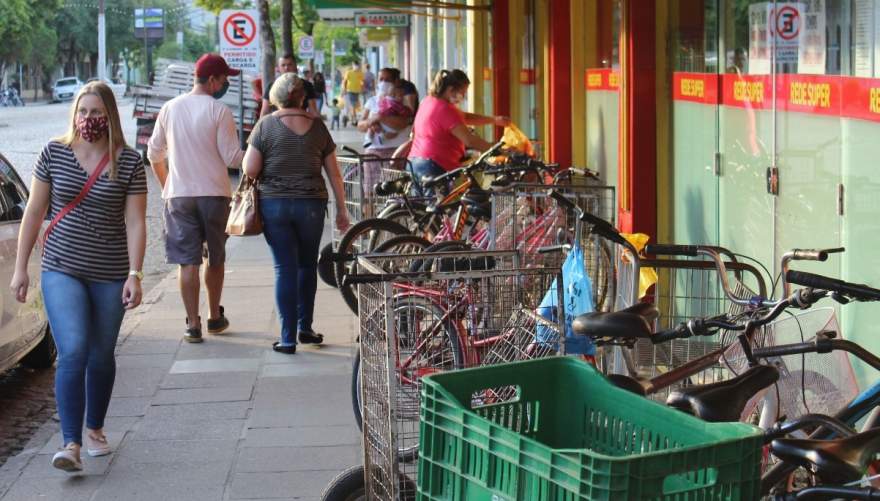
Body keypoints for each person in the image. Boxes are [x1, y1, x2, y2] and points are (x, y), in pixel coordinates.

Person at [10, 81, 147, 472]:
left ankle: (95, 430)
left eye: (96, 112)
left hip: (109, 271)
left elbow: (136, 222)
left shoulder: (130, 162)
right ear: (74, 115)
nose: (89, 119)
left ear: (110, 116)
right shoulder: (54, 152)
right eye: (83, 112)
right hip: (61, 267)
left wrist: (135, 274)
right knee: (73, 349)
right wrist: (21, 268)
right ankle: (70, 442)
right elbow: (34, 212)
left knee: (101, 354)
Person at [242, 73, 350, 354]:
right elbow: (335, 174)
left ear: (276, 97)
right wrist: (342, 209)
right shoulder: (318, 128)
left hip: (274, 205)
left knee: (284, 268)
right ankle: (306, 327)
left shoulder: (265, 126)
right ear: (303, 97)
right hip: (311, 206)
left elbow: (250, 169)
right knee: (306, 265)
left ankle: (287, 338)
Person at [147, 53, 245, 344]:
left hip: (179, 197)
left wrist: (167, 185)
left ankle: (192, 324)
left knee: (187, 262)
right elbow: (232, 158)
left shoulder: (169, 108)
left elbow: (154, 155)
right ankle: (215, 316)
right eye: (224, 78)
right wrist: (257, 152)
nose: (226, 83)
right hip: (215, 195)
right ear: (213, 80)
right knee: (215, 259)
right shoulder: (219, 111)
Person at [407, 69, 509, 196]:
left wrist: (494, 120)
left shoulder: (429, 101)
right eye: (462, 93)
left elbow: (464, 117)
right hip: (433, 166)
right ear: (450, 90)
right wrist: (497, 150)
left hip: (415, 163)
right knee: (438, 212)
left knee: (422, 210)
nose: (463, 97)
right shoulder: (445, 109)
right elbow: (469, 140)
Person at [260, 54, 319, 118]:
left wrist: (319, 126)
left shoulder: (307, 85)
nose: (286, 68)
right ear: (279, 68)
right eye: (283, 65)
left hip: (300, 123)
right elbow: (265, 111)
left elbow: (313, 111)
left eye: (289, 64)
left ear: (295, 66)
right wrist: (261, 126)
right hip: (278, 124)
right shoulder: (271, 86)